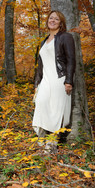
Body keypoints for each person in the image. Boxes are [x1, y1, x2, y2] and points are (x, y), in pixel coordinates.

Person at [32, 10, 76, 153]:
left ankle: (52, 144)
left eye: (56, 19)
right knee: (41, 103)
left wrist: (68, 81)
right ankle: (44, 137)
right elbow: (41, 65)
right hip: (45, 80)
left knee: (56, 111)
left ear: (61, 23)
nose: (52, 20)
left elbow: (71, 60)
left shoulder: (66, 37)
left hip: (60, 78)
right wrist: (37, 84)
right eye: (51, 18)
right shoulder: (44, 41)